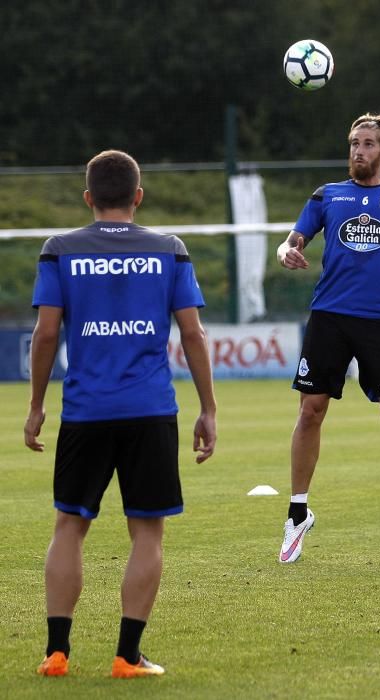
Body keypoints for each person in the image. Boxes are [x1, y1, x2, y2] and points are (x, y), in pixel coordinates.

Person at [24, 150, 217, 678]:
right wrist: (209, 408)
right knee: (147, 533)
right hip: (150, 409)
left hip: (85, 411)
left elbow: (45, 334)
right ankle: (127, 656)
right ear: (138, 195)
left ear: (89, 198)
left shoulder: (59, 250)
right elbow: (193, 333)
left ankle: (57, 653)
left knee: (69, 525)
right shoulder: (169, 250)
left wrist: (37, 405)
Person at [277, 113, 380, 568]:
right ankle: (297, 515)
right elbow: (290, 240)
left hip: (379, 323)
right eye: (354, 142)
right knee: (310, 410)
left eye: (369, 143)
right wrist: (288, 251)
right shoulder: (325, 195)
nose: (359, 151)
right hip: (329, 318)